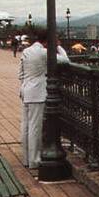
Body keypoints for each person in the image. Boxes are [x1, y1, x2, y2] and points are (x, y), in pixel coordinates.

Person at [18, 30, 69, 170]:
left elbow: (20, 73)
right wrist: (58, 47)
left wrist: (24, 86)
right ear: (47, 42)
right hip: (37, 93)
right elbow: (65, 60)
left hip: (25, 91)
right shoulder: (42, 53)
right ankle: (34, 160)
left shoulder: (26, 51)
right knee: (35, 127)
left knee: (26, 126)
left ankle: (26, 158)